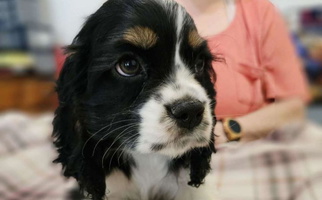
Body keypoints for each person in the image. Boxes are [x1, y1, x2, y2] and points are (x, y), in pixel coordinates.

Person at [174, 0, 311, 147]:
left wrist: (227, 131)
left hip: (245, 149)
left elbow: (294, 107)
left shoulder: (259, 12)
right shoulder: (152, 10)